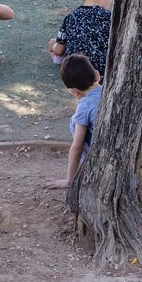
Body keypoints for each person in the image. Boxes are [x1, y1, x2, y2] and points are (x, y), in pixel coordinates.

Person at [46, 54, 102, 189]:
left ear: (75, 92)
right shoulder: (109, 90)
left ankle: (86, 168)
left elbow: (77, 147)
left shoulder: (85, 106)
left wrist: (69, 180)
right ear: (97, 75)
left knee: (75, 122)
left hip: (99, 159)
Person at [48, 0, 115, 75]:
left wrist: (53, 46)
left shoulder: (70, 17)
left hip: (72, 73)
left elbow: (59, 50)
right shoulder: (109, 17)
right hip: (101, 73)